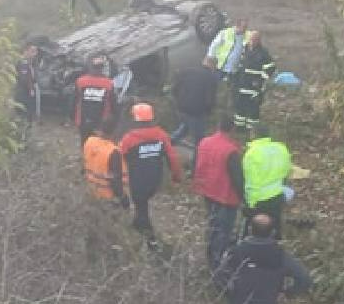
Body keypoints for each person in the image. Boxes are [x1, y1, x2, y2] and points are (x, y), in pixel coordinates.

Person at [213, 214, 312, 304]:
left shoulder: (235, 252)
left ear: (249, 230)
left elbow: (219, 275)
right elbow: (304, 279)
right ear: (273, 232)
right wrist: (288, 293)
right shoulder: (281, 256)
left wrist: (230, 292)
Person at [119, 102, 182, 245]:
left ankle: (151, 239)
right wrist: (176, 176)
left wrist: (120, 179)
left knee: (141, 207)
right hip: (155, 180)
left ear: (134, 119)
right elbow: (172, 157)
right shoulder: (161, 135)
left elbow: (119, 158)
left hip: (137, 180)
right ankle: (137, 224)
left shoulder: (129, 139)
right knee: (142, 204)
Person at [192, 115, 244, 268]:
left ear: (218, 126)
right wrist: (243, 198)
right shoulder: (231, 150)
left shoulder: (204, 142)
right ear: (232, 129)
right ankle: (218, 262)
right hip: (225, 196)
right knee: (224, 230)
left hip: (208, 191)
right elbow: (237, 178)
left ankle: (210, 255)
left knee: (213, 224)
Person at [240, 125, 290, 238]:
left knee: (257, 232)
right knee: (275, 227)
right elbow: (286, 171)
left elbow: (251, 182)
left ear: (253, 135)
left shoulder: (251, 154)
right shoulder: (281, 148)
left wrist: (250, 204)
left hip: (260, 200)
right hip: (278, 195)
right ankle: (275, 249)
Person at [170, 55, 219, 149]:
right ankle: (197, 159)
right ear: (213, 65)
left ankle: (168, 143)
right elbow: (210, 98)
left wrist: (178, 101)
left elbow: (175, 88)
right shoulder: (211, 78)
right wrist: (209, 111)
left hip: (182, 107)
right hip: (198, 111)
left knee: (185, 126)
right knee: (199, 138)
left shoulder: (188, 71)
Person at [232, 31, 277, 130]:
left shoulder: (263, 53)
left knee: (253, 109)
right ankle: (239, 129)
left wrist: (261, 79)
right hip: (242, 85)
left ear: (258, 40)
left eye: (254, 39)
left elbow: (271, 68)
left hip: (254, 87)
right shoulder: (244, 50)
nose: (252, 41)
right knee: (240, 108)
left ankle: (252, 130)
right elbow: (238, 65)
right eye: (251, 39)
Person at [82, 121, 127, 208]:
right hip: (107, 198)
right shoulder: (113, 152)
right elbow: (115, 180)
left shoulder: (89, 141)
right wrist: (123, 198)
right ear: (115, 132)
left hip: (91, 192)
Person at [73, 55, 116, 144]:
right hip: (101, 121)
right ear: (102, 68)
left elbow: (74, 101)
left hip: (83, 120)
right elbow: (113, 104)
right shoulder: (108, 83)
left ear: (90, 67)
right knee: (99, 144)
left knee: (85, 143)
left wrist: (72, 116)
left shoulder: (80, 81)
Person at [207, 16, 249, 80]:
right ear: (238, 25)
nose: (245, 29)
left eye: (246, 27)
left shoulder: (246, 35)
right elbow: (214, 45)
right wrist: (210, 58)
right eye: (244, 27)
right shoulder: (225, 33)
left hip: (236, 69)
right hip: (221, 67)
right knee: (218, 83)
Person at [14, 43, 39, 120]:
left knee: (29, 116)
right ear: (26, 51)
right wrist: (31, 89)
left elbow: (34, 77)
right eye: (32, 51)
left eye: (36, 51)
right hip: (23, 93)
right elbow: (24, 79)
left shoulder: (32, 63)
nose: (35, 53)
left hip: (29, 94)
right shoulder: (23, 63)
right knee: (23, 116)